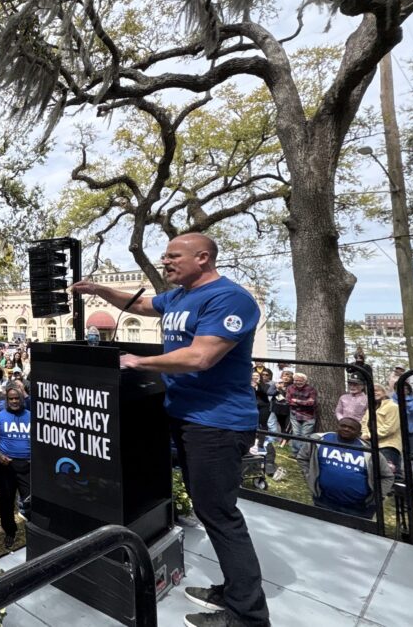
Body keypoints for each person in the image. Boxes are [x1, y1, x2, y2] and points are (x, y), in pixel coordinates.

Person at [73, 232, 269, 627]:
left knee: (219, 514)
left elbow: (201, 357)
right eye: (163, 256)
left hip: (217, 423)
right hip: (184, 417)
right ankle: (233, 589)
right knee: (208, 508)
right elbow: (142, 305)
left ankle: (248, 615)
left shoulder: (230, 299)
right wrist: (98, 289)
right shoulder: (178, 296)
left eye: (173, 256)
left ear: (203, 258)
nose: (165, 262)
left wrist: (136, 363)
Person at [297, 417, 393, 518]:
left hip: (358, 508)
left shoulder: (369, 450)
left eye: (351, 428)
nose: (346, 429)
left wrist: (377, 497)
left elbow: (387, 476)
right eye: (343, 426)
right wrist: (310, 478)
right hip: (324, 501)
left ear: (359, 433)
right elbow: (302, 458)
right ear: (337, 426)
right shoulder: (319, 440)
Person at [0, 385, 31, 548]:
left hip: (28, 466)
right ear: (6, 400)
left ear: (23, 399)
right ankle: (9, 531)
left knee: (30, 500)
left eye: (17, 398)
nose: (14, 401)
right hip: (5, 465)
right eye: (11, 399)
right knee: (6, 500)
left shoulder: (31, 416)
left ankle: (32, 530)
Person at [361, 384, 403, 480]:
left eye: (377, 390)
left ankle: (395, 493)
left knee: (389, 473)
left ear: (384, 393)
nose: (374, 392)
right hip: (371, 445)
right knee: (375, 473)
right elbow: (364, 422)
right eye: (371, 391)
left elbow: (390, 428)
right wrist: (364, 434)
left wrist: (368, 435)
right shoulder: (371, 408)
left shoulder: (393, 407)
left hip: (388, 445)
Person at [285, 372, 318, 456]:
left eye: (300, 381)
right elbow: (288, 401)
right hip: (294, 414)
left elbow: (311, 403)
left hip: (308, 415)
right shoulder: (290, 388)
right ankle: (295, 453)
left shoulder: (311, 389)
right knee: (296, 434)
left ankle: (303, 455)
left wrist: (297, 401)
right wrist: (303, 402)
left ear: (305, 381)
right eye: (296, 380)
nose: (298, 382)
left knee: (305, 435)